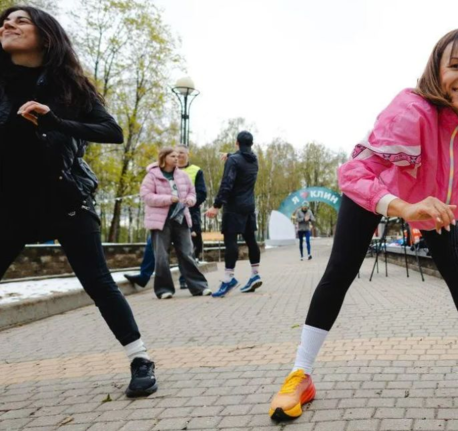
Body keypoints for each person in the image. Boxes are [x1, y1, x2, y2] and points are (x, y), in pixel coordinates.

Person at [267, 28, 458, 421]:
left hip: (436, 205)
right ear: (437, 69)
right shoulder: (411, 108)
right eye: (456, 66)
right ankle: (300, 373)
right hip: (379, 193)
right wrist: (402, 207)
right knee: (340, 272)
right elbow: (353, 174)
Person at [0, 6, 157, 397]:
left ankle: (140, 359)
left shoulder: (68, 85)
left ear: (46, 35)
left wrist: (56, 122)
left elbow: (112, 131)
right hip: (11, 203)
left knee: (99, 283)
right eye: (5, 21)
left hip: (65, 198)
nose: (7, 24)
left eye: (21, 21)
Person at [125, 145, 207, 290]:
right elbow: (147, 196)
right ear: (164, 158)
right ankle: (164, 289)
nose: (177, 159)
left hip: (181, 219)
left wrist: (190, 200)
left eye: (178, 155)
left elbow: (192, 192)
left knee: (187, 254)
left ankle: (199, 287)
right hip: (160, 221)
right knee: (161, 257)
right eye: (173, 156)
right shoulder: (152, 175)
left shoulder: (183, 175)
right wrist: (169, 199)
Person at [206, 131, 262, 296]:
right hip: (249, 206)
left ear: (236, 142)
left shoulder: (234, 160)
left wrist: (216, 206)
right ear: (251, 144)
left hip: (234, 207)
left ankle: (228, 278)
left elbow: (227, 183)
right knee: (251, 240)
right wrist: (231, 155)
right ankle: (255, 274)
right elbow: (243, 159)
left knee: (231, 242)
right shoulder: (254, 160)